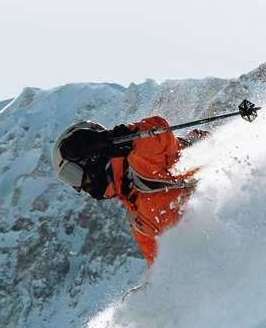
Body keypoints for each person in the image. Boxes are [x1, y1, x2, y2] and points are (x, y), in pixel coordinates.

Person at [52, 113, 210, 266]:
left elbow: (161, 138)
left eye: (72, 174)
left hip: (227, 206)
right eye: (68, 181)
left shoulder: (142, 163)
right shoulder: (138, 223)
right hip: (216, 255)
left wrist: (116, 140)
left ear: (89, 159)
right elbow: (161, 269)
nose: (78, 187)